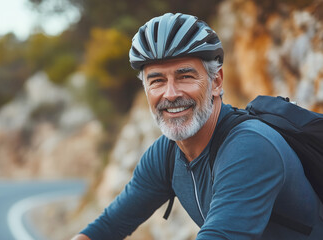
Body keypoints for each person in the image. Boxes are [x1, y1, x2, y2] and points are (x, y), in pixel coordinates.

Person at [72, 13, 323, 240]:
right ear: (146, 90)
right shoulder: (167, 154)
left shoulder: (251, 147)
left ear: (216, 82)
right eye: (157, 81)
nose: (170, 94)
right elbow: (107, 227)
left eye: (185, 76)